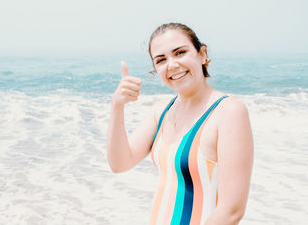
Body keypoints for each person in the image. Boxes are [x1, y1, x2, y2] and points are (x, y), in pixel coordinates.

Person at [107, 23, 253, 225]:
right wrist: (117, 106)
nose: (172, 65)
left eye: (180, 52)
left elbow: (232, 211)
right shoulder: (161, 111)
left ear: (202, 54)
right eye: (161, 60)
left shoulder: (228, 112)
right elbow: (119, 163)